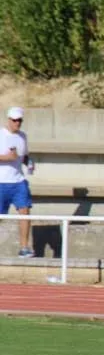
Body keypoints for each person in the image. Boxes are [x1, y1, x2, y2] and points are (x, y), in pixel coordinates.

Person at [0, 107, 35, 257]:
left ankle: (24, 247)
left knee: (25, 211)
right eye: (14, 120)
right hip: (1, 182)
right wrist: (6, 158)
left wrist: (29, 162)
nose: (17, 123)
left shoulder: (22, 136)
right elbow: (10, 157)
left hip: (18, 181)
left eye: (20, 120)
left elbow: (24, 155)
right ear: (8, 120)